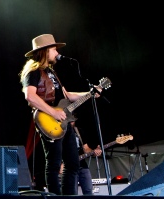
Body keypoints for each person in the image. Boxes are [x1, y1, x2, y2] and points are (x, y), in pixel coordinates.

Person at [18, 34, 101, 195]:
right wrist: (53, 113)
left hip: (64, 122)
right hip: (48, 120)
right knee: (54, 163)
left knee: (72, 163)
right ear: (44, 51)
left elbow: (67, 96)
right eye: (53, 49)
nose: (56, 53)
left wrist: (90, 93)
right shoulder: (34, 71)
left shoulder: (51, 72)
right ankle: (54, 196)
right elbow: (30, 96)